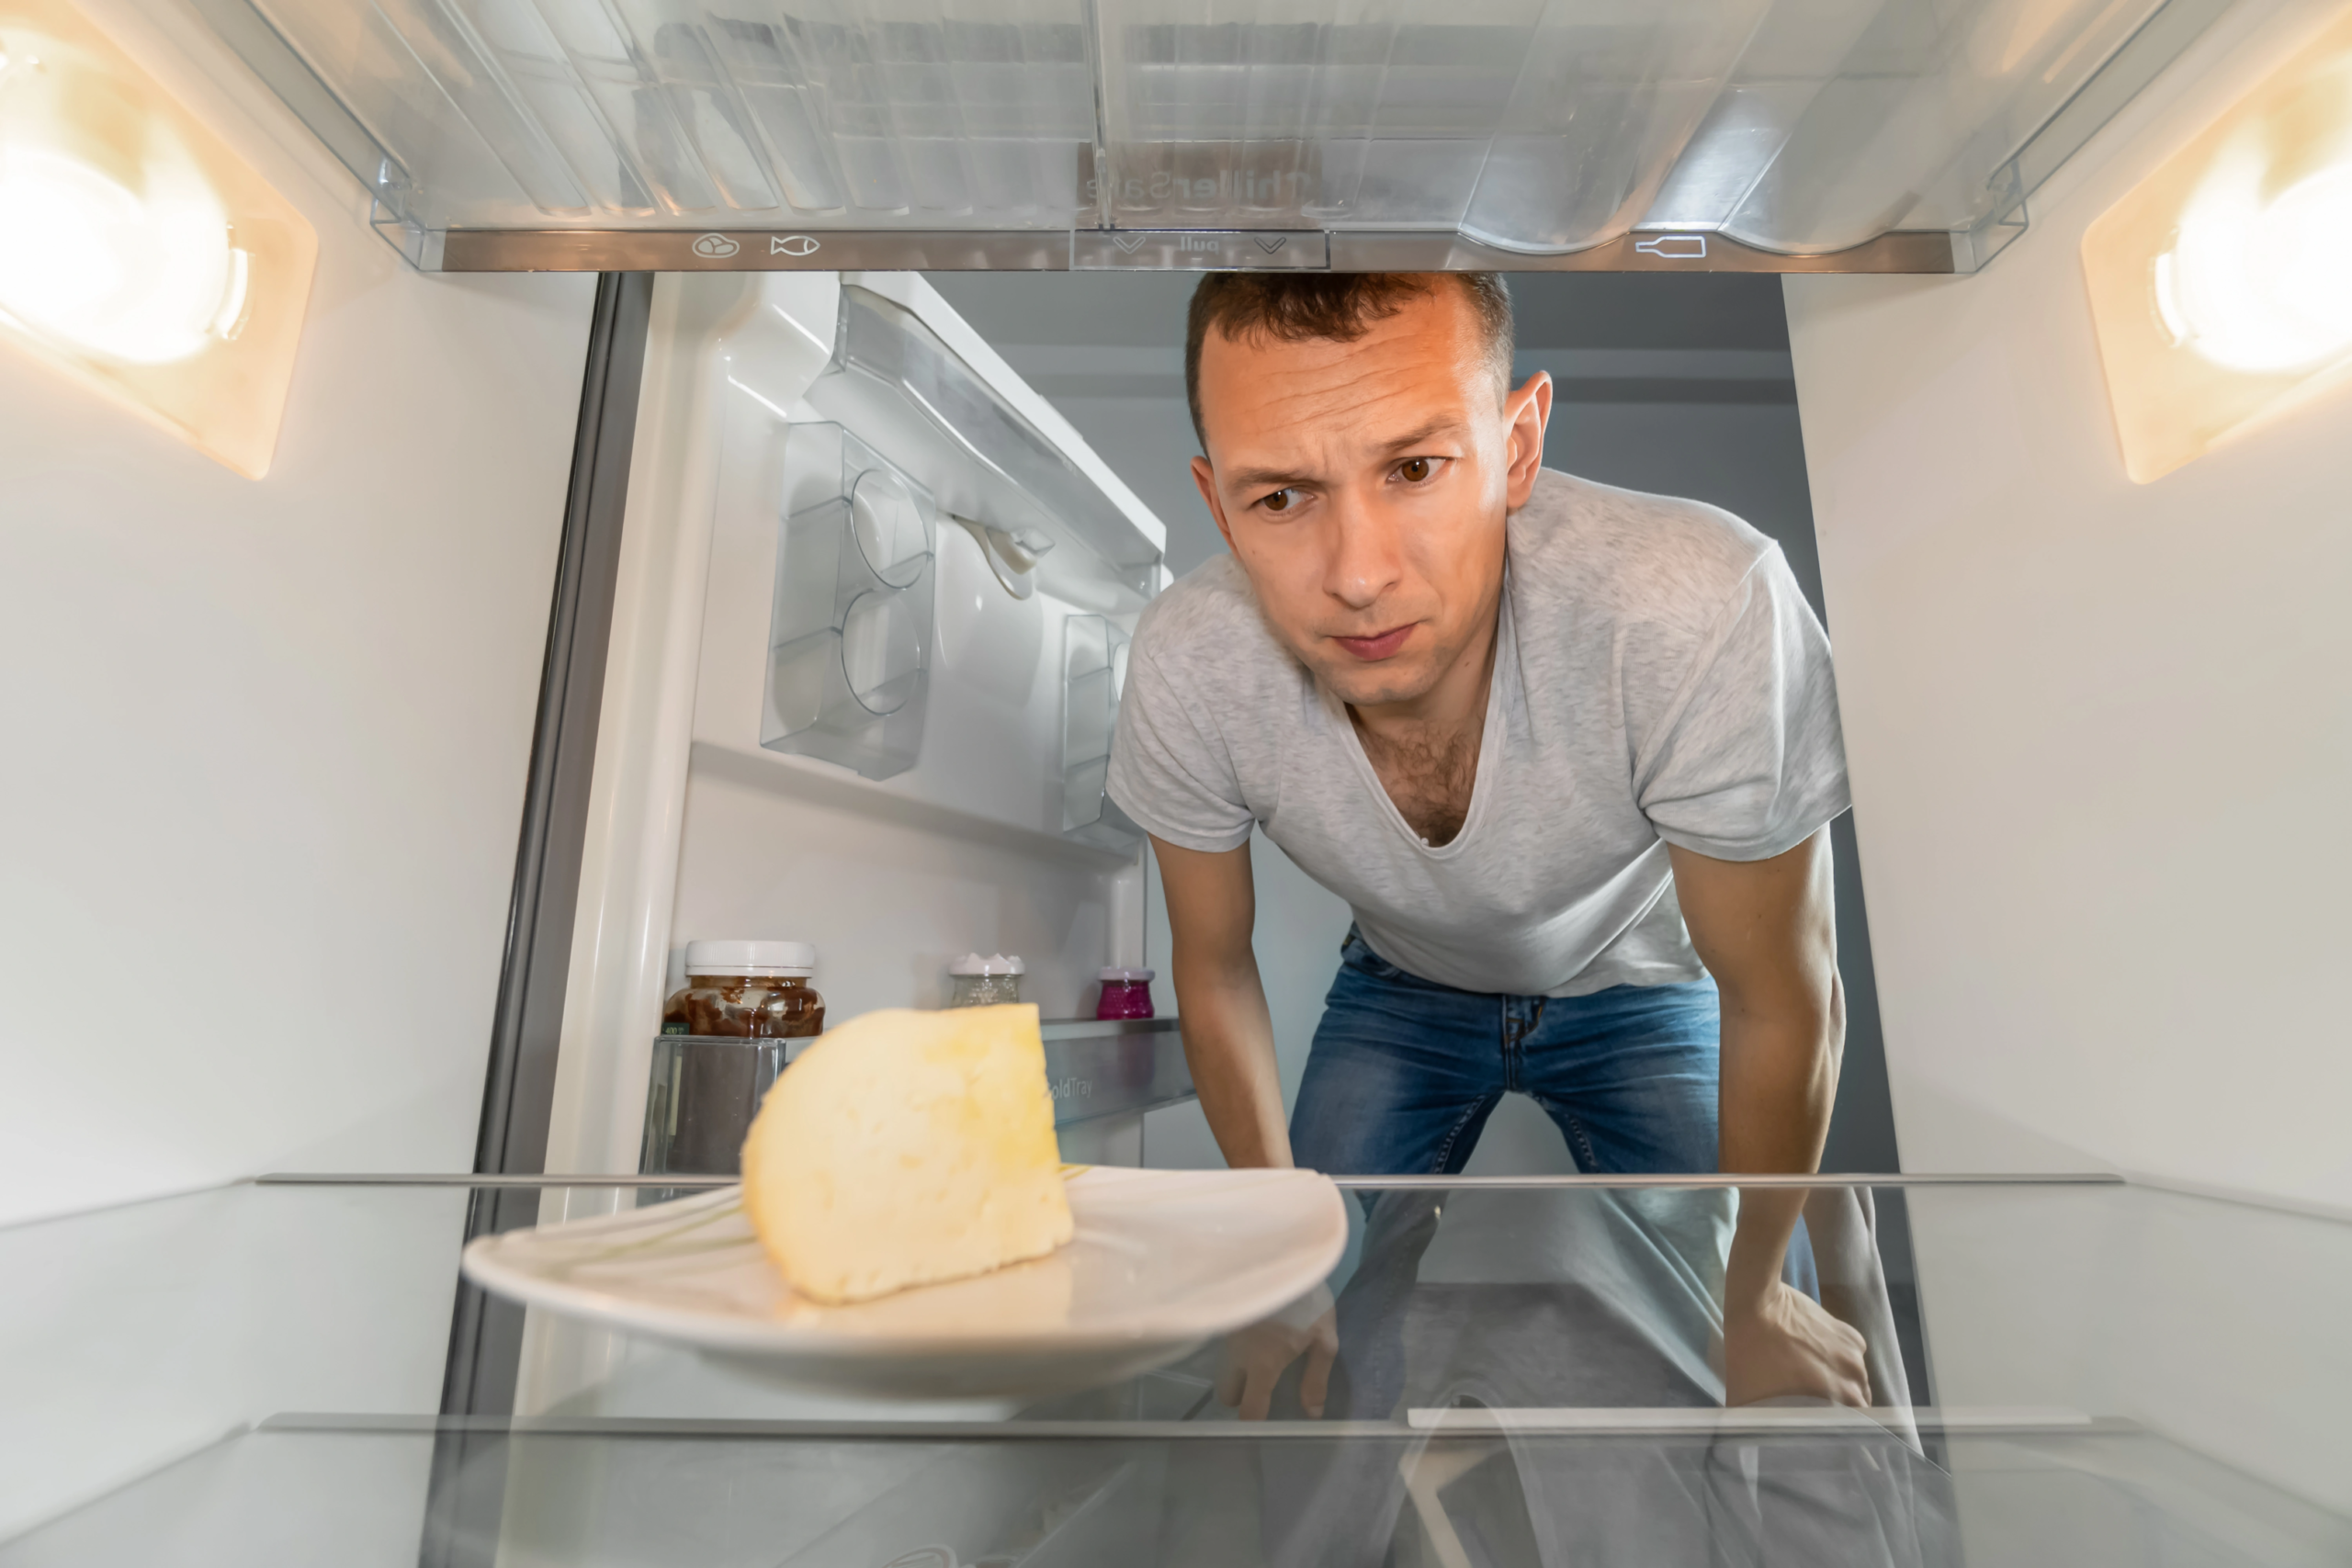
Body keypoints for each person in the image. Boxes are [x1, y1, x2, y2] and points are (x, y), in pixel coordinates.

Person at [1103, 272, 1870, 1419]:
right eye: (1282, 497)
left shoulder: (1691, 605)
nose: (1357, 576)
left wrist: (1755, 1292)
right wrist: (1278, 1273)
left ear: (1515, 446)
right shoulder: (1188, 662)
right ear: (1218, 506)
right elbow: (1211, 972)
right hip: (1401, 990)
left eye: (1412, 469)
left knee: (1763, 1342)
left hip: (1635, 976)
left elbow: (1780, 990)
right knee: (1297, 1335)